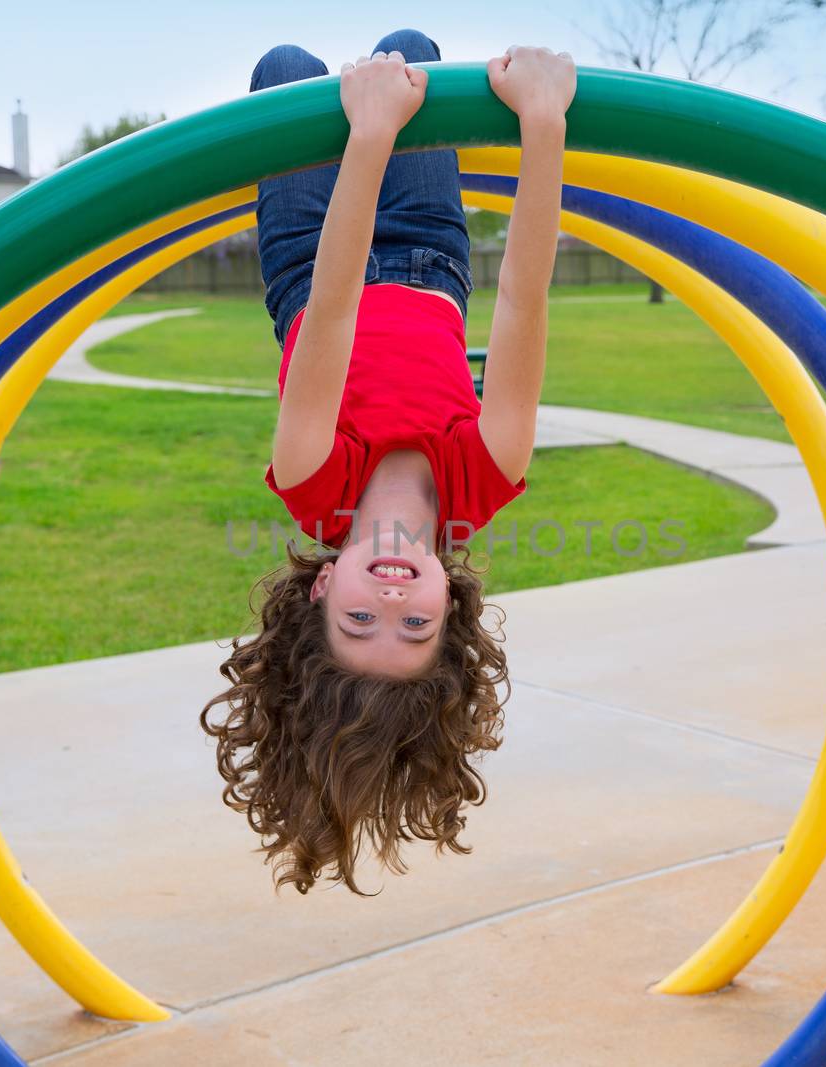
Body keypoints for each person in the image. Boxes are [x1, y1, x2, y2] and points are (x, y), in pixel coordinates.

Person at [201, 30, 576, 894]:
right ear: (453, 605)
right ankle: (385, 98)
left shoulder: (311, 482)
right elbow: (523, 298)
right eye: (417, 627)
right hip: (428, 251)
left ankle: (357, 109)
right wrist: (543, 122)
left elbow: (330, 318)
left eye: (363, 622)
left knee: (286, 72)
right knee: (410, 51)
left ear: (323, 591)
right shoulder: (489, 472)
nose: (396, 601)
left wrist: (371, 137)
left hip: (306, 260)